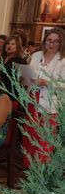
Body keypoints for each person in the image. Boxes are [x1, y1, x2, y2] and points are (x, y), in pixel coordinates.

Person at [23, 27, 65, 167]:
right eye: (49, 40)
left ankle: (41, 171)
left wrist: (47, 83)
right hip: (32, 99)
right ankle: (28, 167)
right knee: (30, 135)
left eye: (56, 41)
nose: (51, 44)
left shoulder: (62, 60)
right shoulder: (36, 55)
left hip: (50, 103)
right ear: (44, 41)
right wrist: (26, 78)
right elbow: (29, 72)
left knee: (44, 140)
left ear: (61, 43)